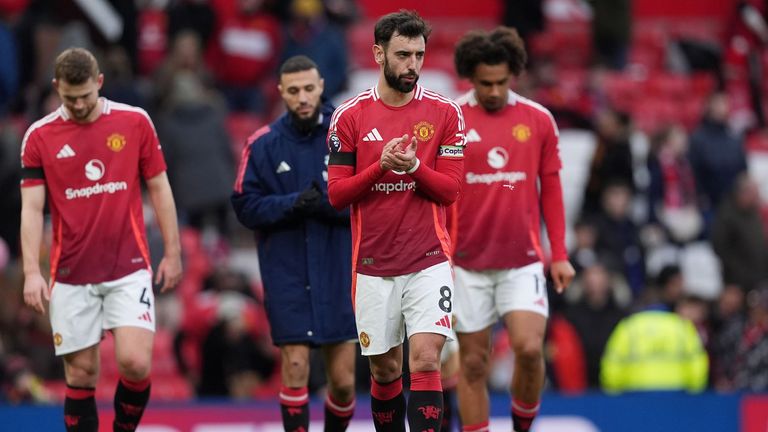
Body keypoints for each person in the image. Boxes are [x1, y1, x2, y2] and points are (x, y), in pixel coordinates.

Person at [19, 47, 182, 432]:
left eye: (85, 96)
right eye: (69, 97)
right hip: (71, 272)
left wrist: (173, 253)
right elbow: (31, 209)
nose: (78, 105)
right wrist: (31, 272)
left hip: (128, 266)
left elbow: (159, 186)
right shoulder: (39, 136)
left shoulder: (134, 121)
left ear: (100, 83)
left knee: (135, 363)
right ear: (56, 87)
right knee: (81, 373)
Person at [327, 10, 466, 431]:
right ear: (378, 54)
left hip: (428, 259)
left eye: (419, 55)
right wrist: (381, 167)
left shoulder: (446, 113)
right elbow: (337, 195)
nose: (413, 65)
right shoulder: (349, 116)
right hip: (372, 264)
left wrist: (414, 168)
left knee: (425, 359)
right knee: (386, 369)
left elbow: (450, 190)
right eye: (403, 55)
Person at [450, 27, 575, 432]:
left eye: (501, 82)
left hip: (521, 261)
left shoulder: (538, 120)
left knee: (529, 349)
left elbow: (551, 188)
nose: (494, 91)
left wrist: (560, 254)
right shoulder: (451, 120)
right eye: (485, 83)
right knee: (473, 364)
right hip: (465, 264)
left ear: (514, 75)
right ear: (470, 77)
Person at [231, 55, 357, 432]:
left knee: (344, 382)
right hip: (287, 272)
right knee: (296, 366)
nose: (302, 98)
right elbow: (244, 206)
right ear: (281, 92)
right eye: (294, 90)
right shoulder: (262, 144)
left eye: (309, 89)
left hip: (339, 271)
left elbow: (370, 199)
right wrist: (292, 204)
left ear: (321, 87)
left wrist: (328, 204)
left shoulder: (348, 135)